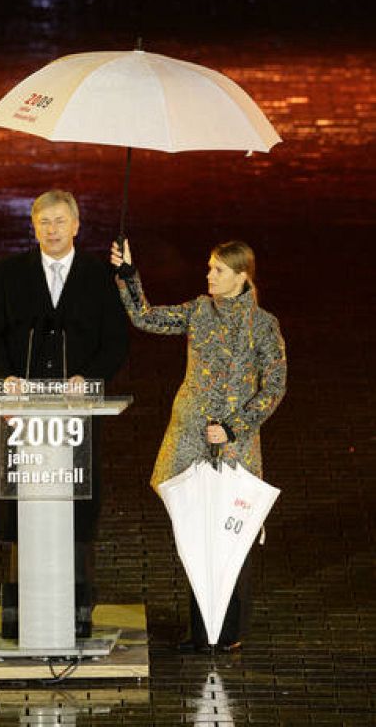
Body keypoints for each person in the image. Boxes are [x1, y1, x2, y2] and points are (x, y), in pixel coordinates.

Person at [111, 237, 286, 652]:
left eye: (218, 270)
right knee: (194, 531)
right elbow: (145, 317)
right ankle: (200, 628)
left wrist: (234, 426)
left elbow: (274, 386)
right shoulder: (197, 312)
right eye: (209, 267)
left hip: (234, 446)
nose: (209, 275)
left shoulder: (263, 325)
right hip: (190, 439)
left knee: (233, 534)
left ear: (241, 277)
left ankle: (229, 632)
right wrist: (126, 274)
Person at [0, 190, 129, 635]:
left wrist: (90, 377)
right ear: (33, 226)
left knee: (76, 500)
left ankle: (79, 604)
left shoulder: (99, 275)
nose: (52, 230)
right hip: (22, 412)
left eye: (60, 221)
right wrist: (3, 378)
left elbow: (116, 340)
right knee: (21, 499)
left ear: (77, 225)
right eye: (44, 222)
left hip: (75, 414)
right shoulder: (8, 273)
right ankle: (19, 606)